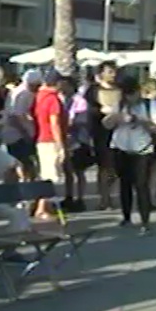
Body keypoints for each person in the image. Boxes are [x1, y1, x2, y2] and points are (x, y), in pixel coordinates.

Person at [103, 77, 156, 234]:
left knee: (141, 185)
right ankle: (126, 216)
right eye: (126, 94)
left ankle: (145, 221)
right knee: (125, 183)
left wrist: (139, 120)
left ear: (138, 91)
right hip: (121, 147)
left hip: (142, 148)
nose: (130, 97)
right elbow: (106, 124)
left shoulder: (149, 105)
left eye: (132, 93)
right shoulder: (120, 104)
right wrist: (116, 117)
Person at [85, 61, 122, 210]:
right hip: (101, 133)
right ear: (101, 74)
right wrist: (102, 110)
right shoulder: (93, 91)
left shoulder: (121, 90)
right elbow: (89, 110)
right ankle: (104, 198)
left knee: (117, 168)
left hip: (119, 132)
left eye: (114, 71)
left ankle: (112, 195)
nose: (113, 74)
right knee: (104, 167)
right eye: (109, 71)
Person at [32, 68, 67, 219]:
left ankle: (44, 206)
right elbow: (55, 123)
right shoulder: (53, 99)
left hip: (41, 138)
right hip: (50, 140)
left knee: (46, 173)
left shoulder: (39, 96)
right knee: (50, 176)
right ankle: (41, 208)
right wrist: (61, 145)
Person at [59, 75, 93, 212]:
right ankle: (69, 196)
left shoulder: (80, 101)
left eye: (65, 85)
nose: (62, 88)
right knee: (67, 170)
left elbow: (82, 119)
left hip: (78, 139)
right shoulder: (60, 99)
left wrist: (70, 124)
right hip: (65, 139)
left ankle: (80, 198)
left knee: (79, 171)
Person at [0, 69, 41, 176]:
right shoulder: (23, 94)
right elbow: (15, 116)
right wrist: (25, 133)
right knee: (23, 163)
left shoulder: (19, 92)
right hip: (17, 135)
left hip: (16, 133)